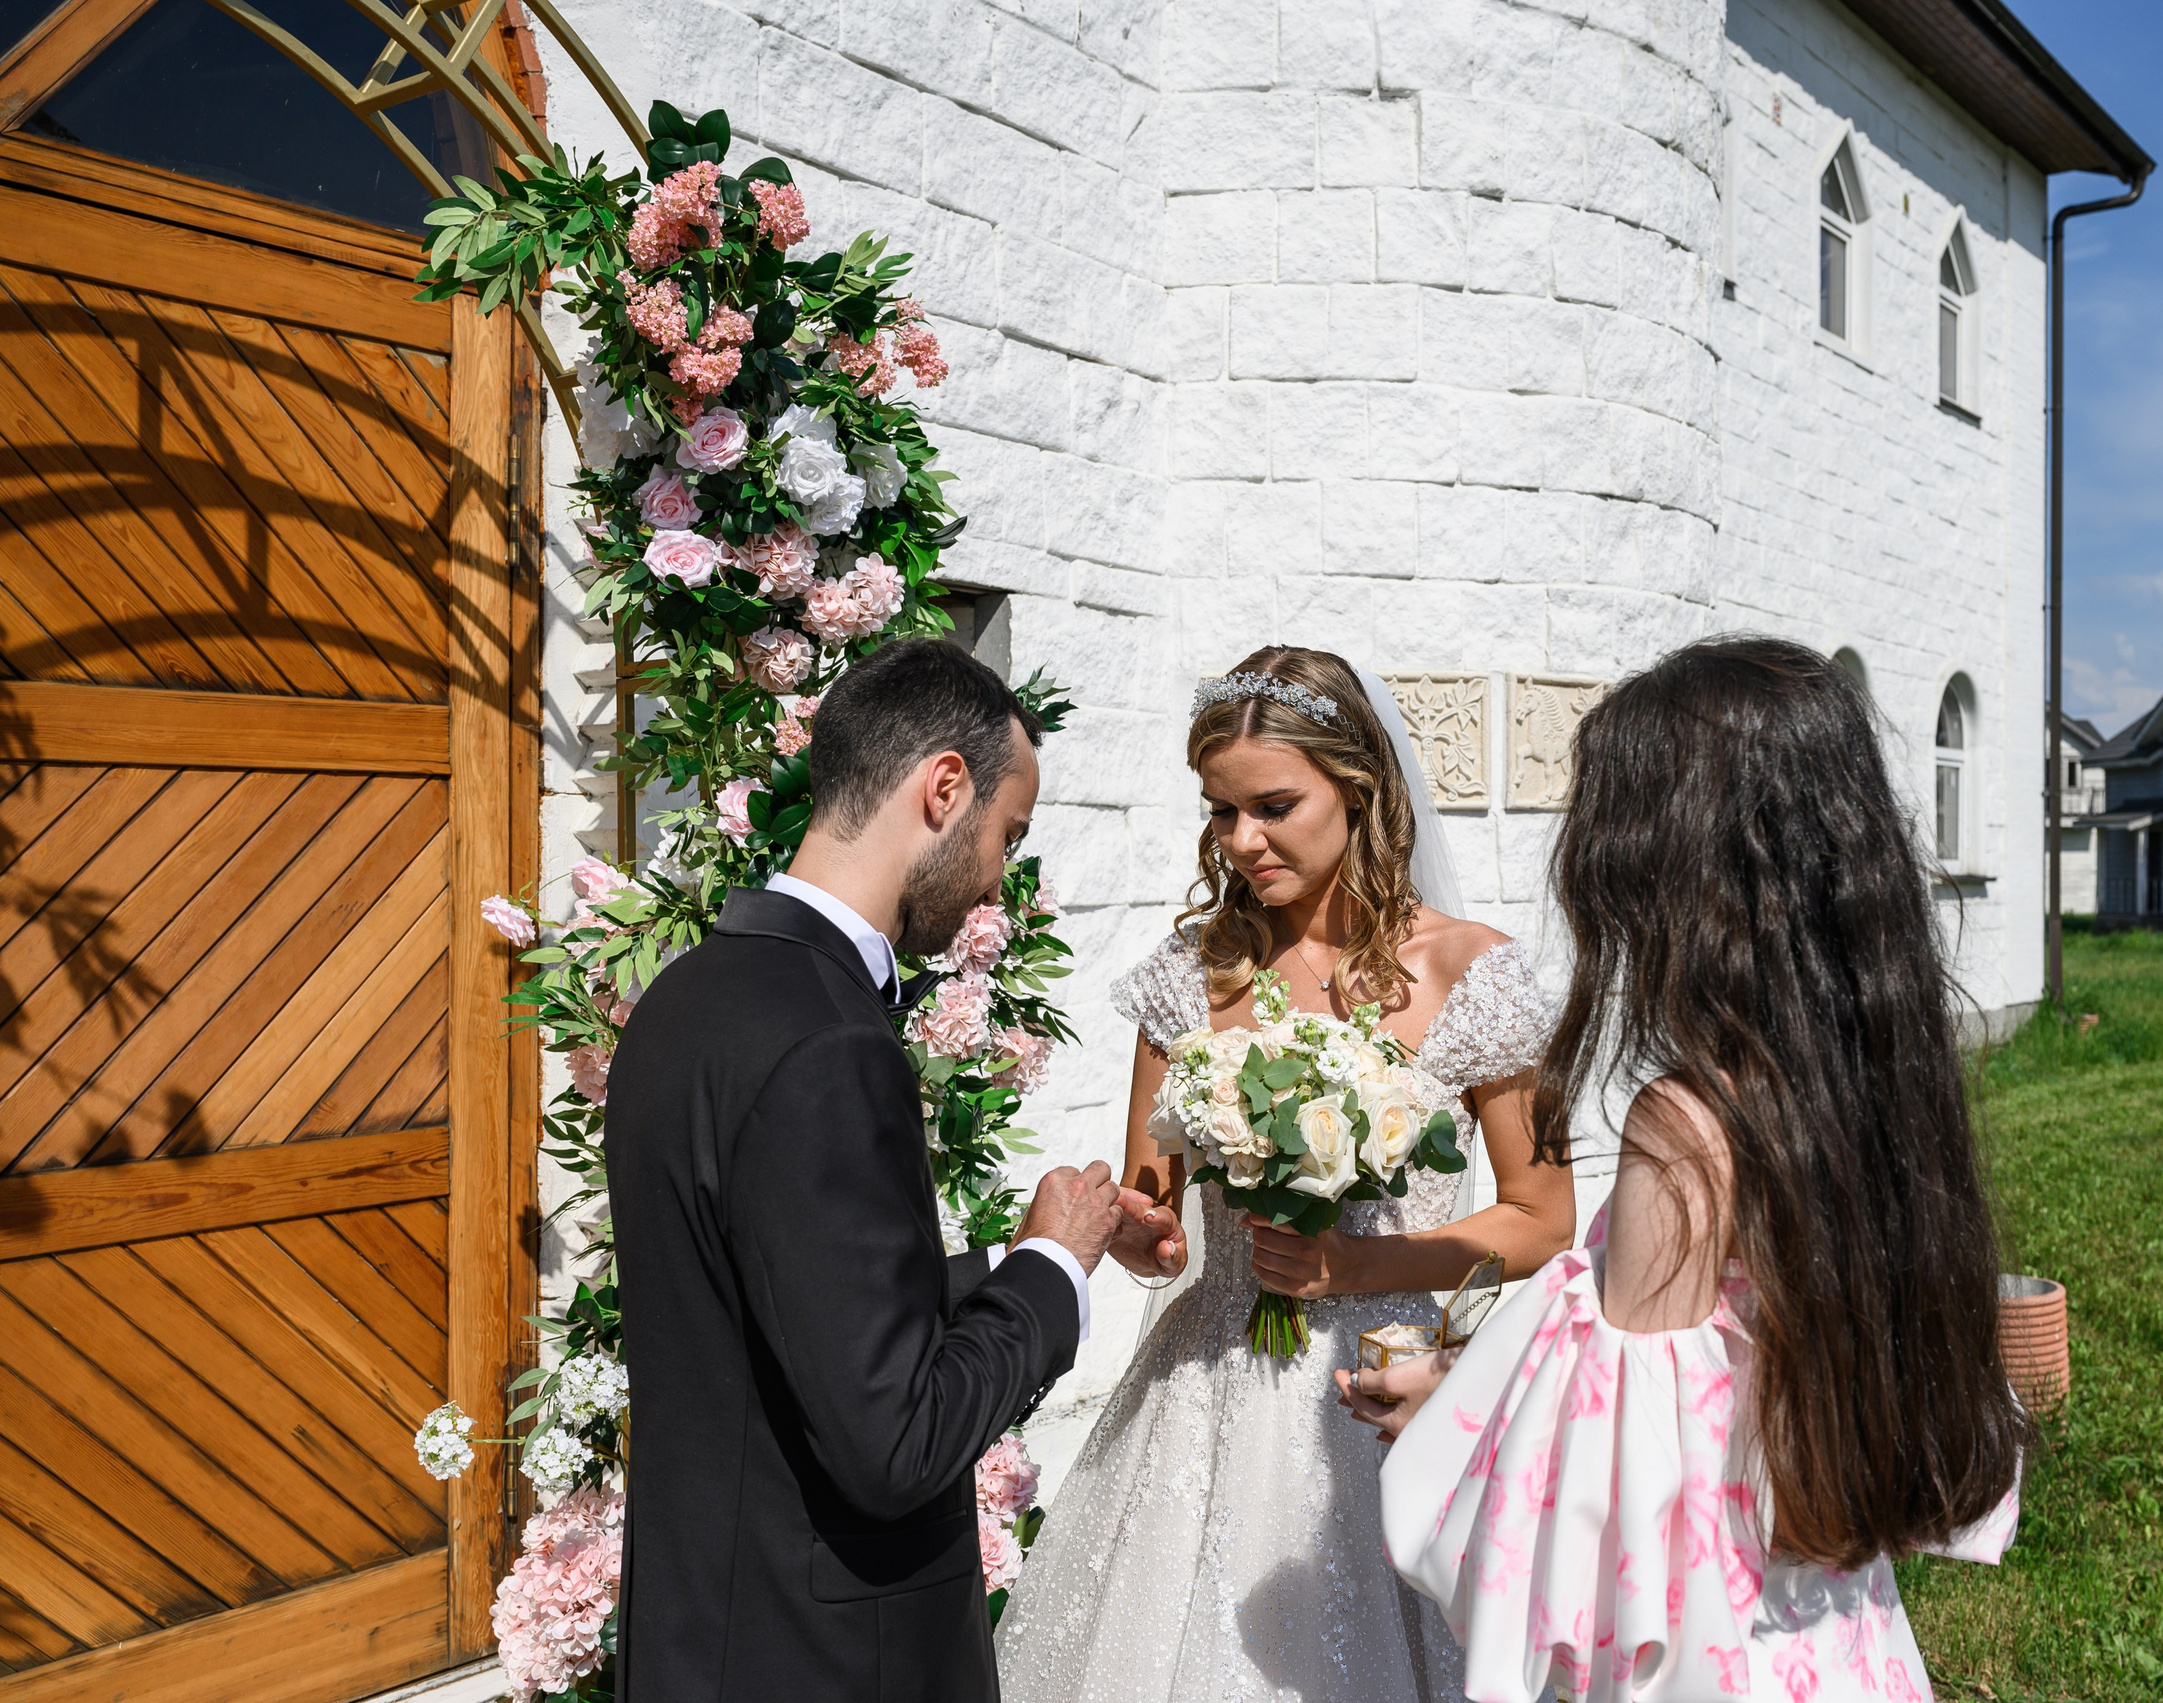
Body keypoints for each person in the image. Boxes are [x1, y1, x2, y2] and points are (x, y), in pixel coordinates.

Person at [1347, 637, 2030, 1703]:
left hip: (1711, 1647)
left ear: (1671, 867)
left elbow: (1620, 1470)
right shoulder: (1860, 1078)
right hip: (1834, 1629)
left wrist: (1446, 1407)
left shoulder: (1685, 1122)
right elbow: (1724, 1388)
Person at [995, 645, 1576, 1703]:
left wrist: (1358, 1261)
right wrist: (1141, 1231)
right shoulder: (1191, 972)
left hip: (1389, 1385)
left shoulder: (1469, 970)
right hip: (1206, 1386)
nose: (1241, 840)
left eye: (1271, 805)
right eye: (1220, 811)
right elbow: (1154, 1203)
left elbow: (1541, 1217)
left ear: (1358, 789)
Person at [606, 639, 1181, 1702]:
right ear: (943, 786)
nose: (996, 878)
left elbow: (779, 1303)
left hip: (700, 1635)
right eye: (1008, 835)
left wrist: (1023, 1253)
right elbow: (897, 1440)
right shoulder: (832, 1042)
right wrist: (1049, 1275)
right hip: (824, 1663)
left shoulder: (684, 998)